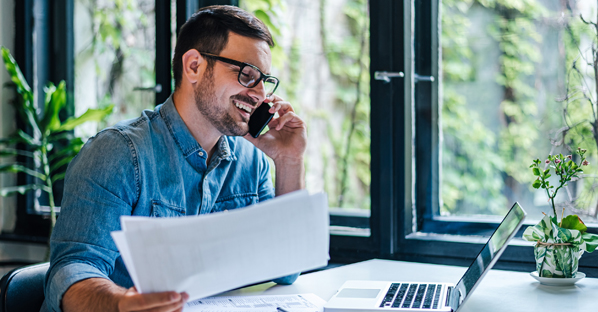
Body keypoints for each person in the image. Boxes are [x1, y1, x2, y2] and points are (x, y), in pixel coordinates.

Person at [41, 5, 307, 312]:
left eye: (264, 80)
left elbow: (287, 268)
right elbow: (72, 271)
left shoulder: (252, 160)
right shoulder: (118, 153)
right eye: (247, 75)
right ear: (193, 66)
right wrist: (120, 304)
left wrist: (288, 160)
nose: (260, 94)